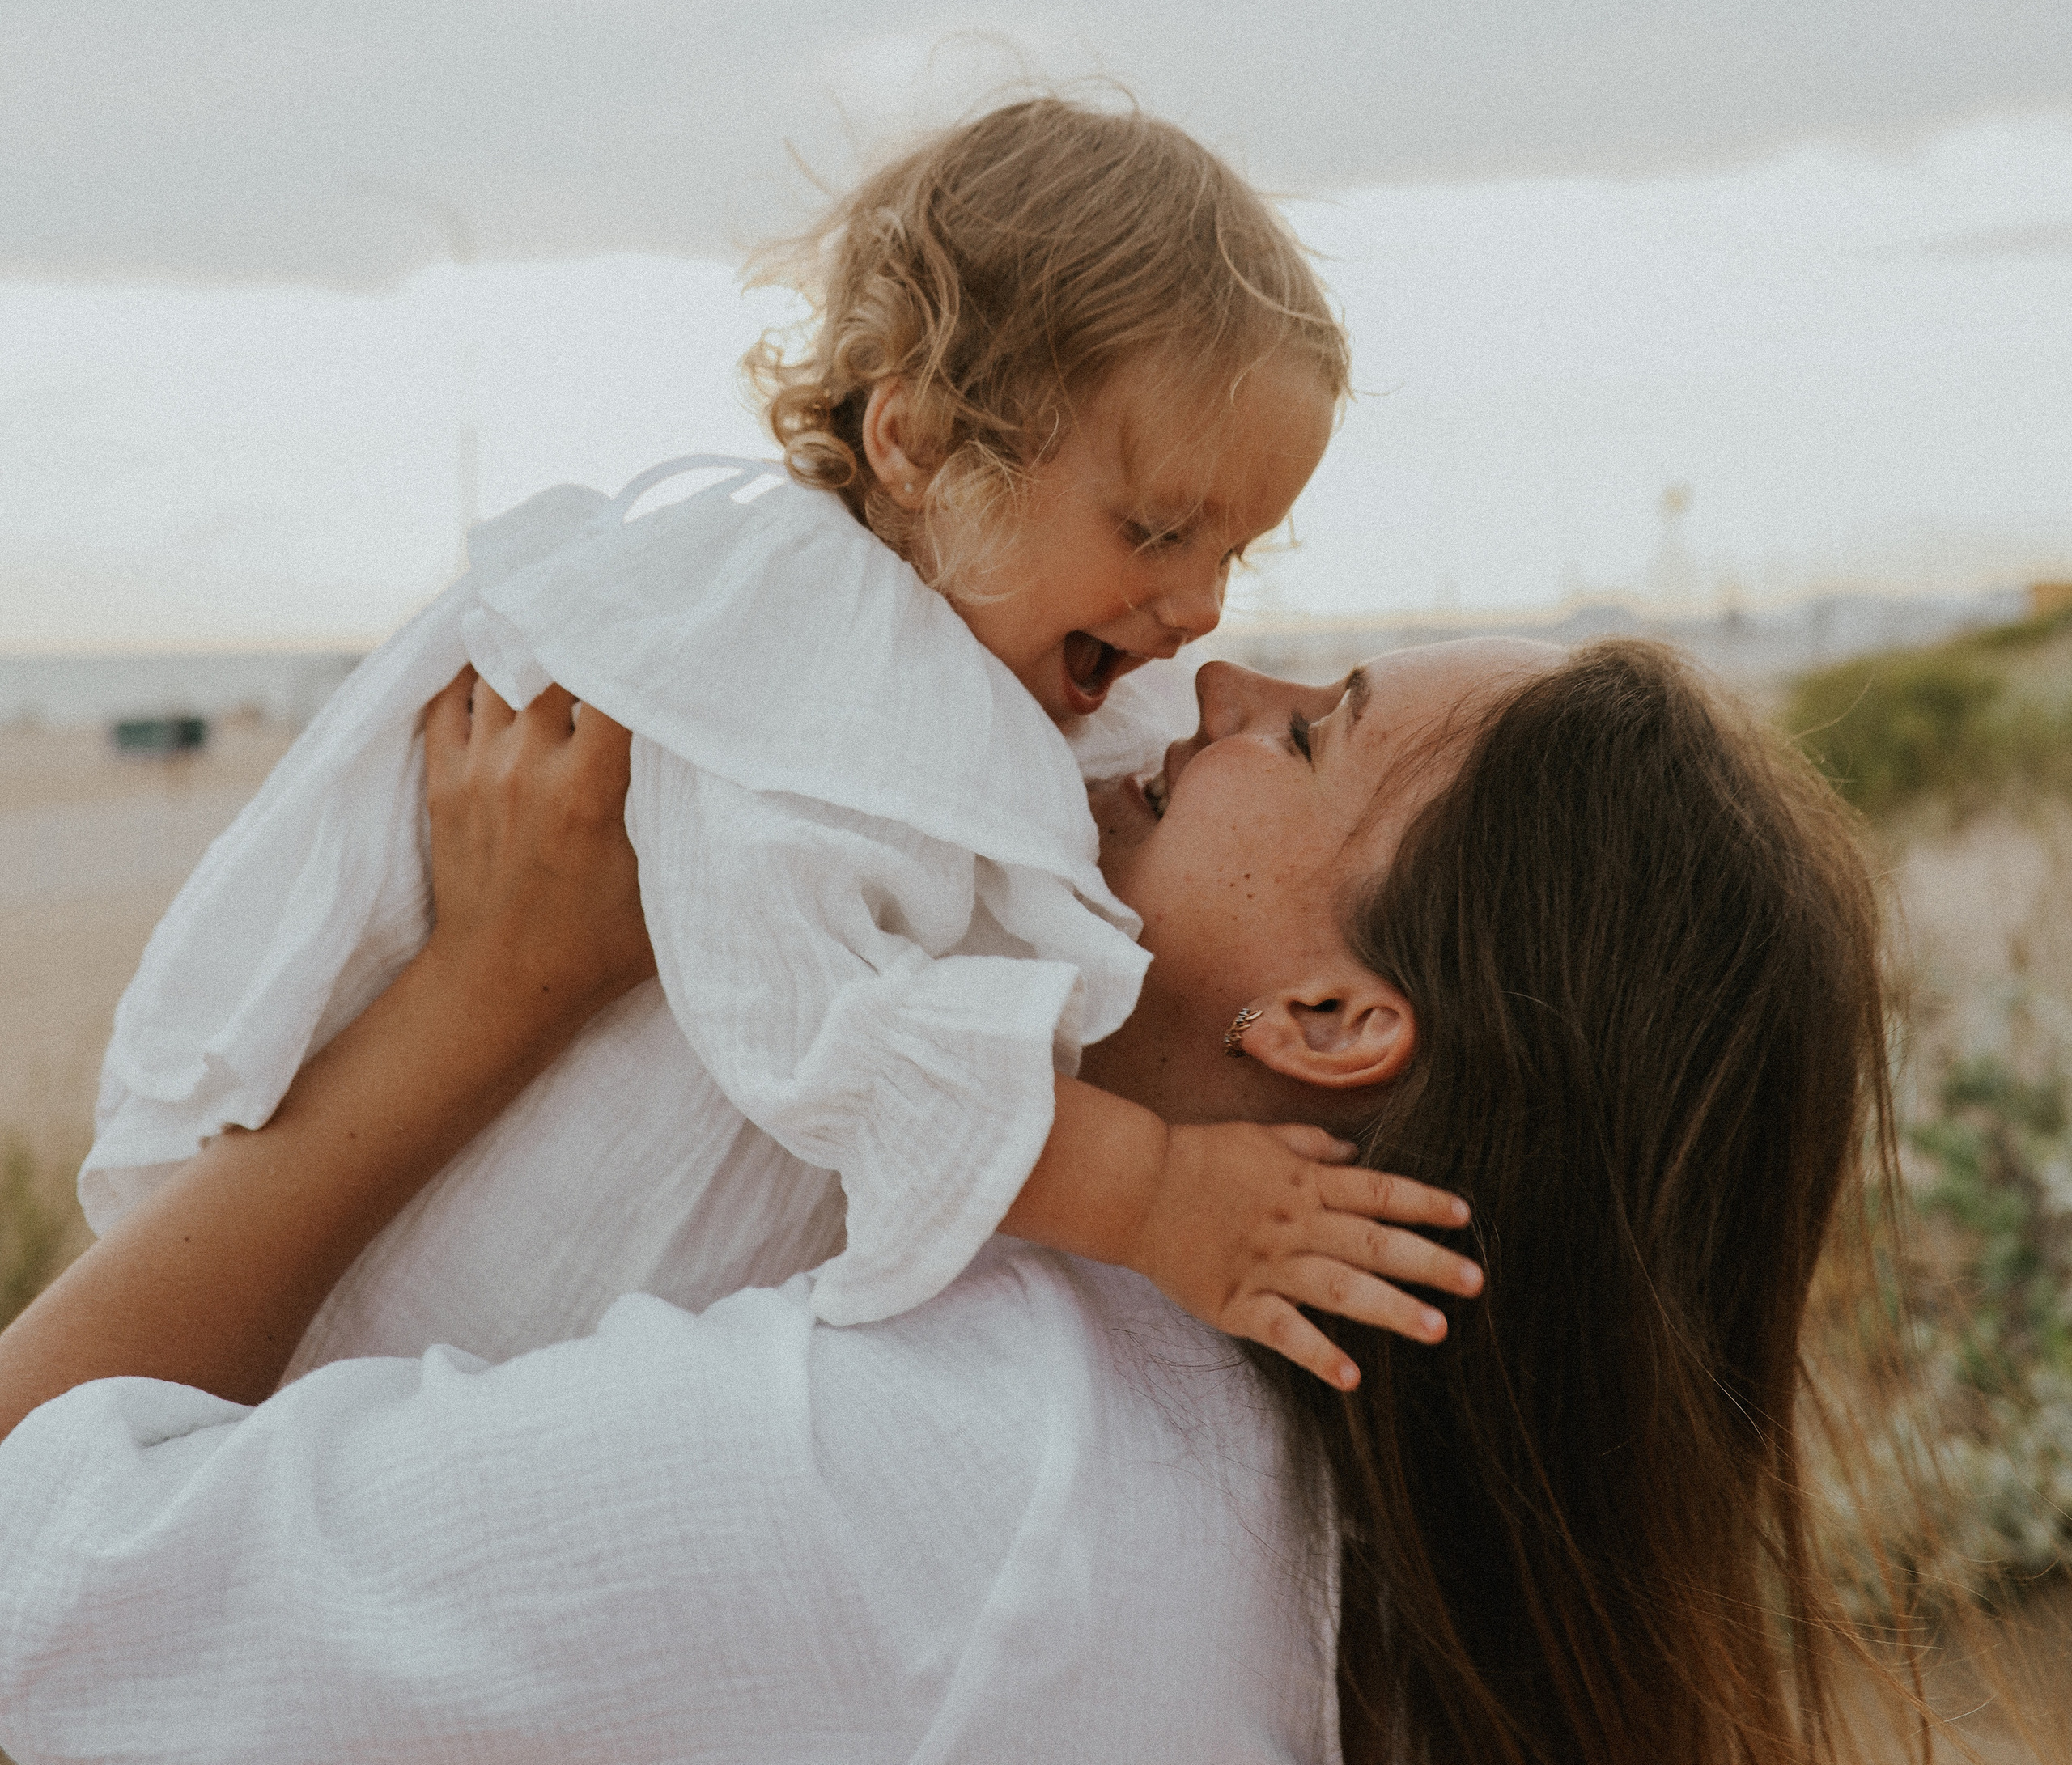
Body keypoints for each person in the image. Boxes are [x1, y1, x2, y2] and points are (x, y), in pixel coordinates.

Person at [0, 630, 1915, 1765]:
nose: (1217, 675)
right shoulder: (1346, 1544)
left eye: (1311, 729)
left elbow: (39, 1590)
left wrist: (481, 996)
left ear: (1332, 1019)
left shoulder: (935, 1483)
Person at [83, 97, 1449, 1392]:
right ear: (919, 445)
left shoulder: (1010, 651)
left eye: (1236, 549)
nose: (1205, 608)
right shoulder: (788, 656)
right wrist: (1148, 1191)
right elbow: (815, 1023)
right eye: (1156, 530)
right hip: (423, 1267)